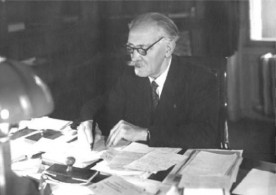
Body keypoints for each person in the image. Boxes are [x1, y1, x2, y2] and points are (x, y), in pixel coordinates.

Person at [76, 12, 220, 149]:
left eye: (142, 49)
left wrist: (146, 133)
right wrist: (89, 122)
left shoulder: (201, 79)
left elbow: (206, 135)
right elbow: (103, 106)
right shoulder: (130, 76)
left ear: (168, 48)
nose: (134, 57)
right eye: (131, 48)